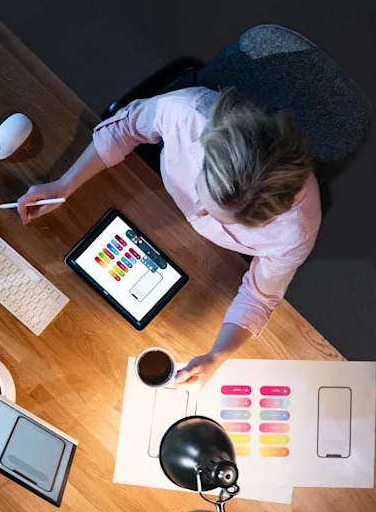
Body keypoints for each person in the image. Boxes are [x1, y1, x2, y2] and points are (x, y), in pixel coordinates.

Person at [17, 87, 320, 389]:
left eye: (221, 218)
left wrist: (218, 355)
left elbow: (259, 295)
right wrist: (65, 184)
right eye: (204, 196)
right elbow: (125, 128)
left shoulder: (294, 232)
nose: (199, 213)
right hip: (148, 193)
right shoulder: (185, 114)